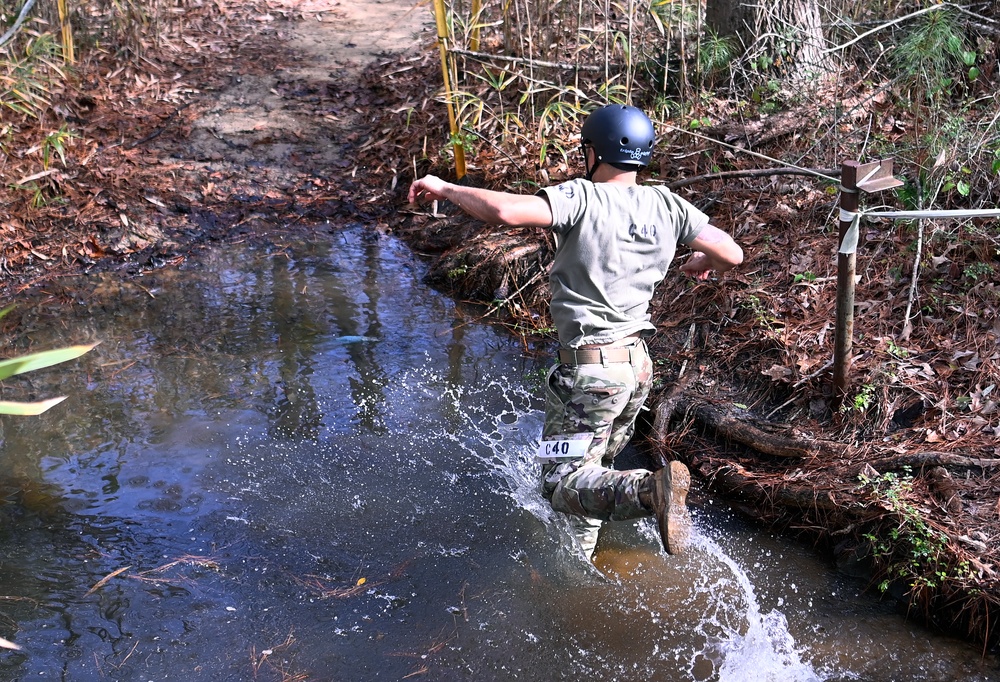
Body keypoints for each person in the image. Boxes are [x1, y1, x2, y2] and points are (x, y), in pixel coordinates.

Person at [408, 104, 743, 561]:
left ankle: (651, 491)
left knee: (559, 482)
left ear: (592, 152)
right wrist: (704, 260)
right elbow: (732, 253)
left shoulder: (584, 196)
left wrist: (445, 187)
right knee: (593, 469)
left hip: (590, 372)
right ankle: (578, 562)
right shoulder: (668, 203)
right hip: (636, 369)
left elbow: (506, 211)